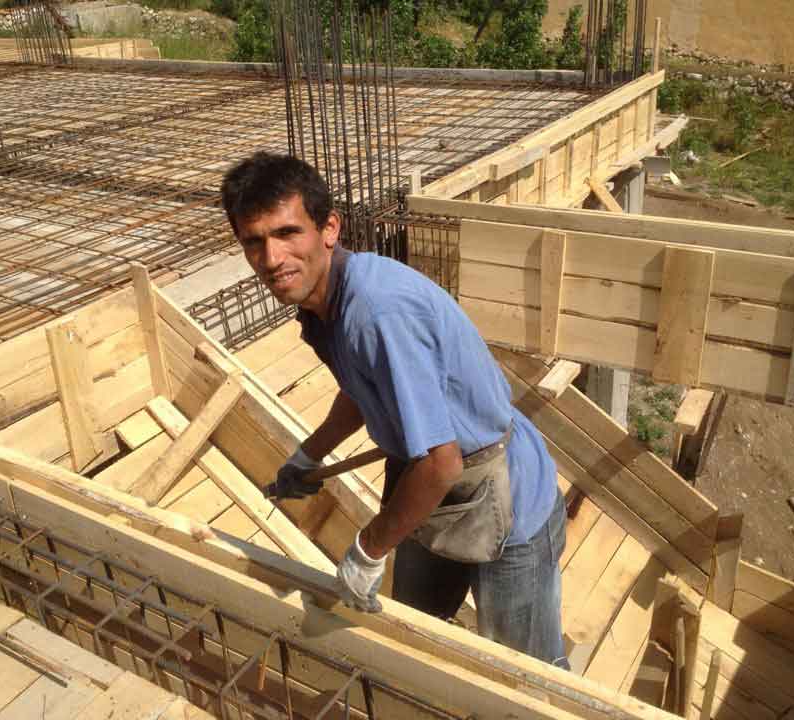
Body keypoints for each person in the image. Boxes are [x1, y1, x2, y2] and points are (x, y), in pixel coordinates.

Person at [221, 152, 569, 669]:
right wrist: (308, 455)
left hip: (502, 498)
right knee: (414, 631)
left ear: (329, 229)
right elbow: (361, 392)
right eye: (254, 241)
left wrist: (368, 548)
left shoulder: (376, 312)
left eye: (288, 233)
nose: (272, 258)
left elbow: (443, 463)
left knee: (528, 673)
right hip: (426, 483)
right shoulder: (322, 306)